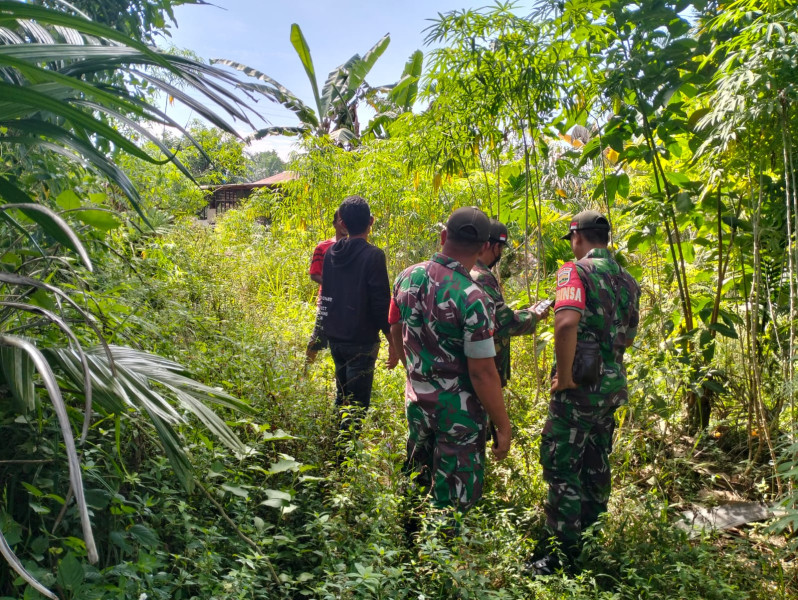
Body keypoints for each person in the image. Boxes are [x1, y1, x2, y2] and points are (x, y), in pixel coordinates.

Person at [530, 209, 640, 575]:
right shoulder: (627, 280)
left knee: (562, 467)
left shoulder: (572, 272)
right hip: (611, 388)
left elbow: (564, 322)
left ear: (578, 237)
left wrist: (564, 376)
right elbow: (630, 333)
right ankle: (591, 538)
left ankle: (562, 555)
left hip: (577, 389)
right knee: (597, 464)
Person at [390, 206, 511, 516]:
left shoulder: (407, 277)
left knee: (417, 478)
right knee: (452, 499)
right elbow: (483, 372)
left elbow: (396, 327)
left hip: (417, 403)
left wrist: (415, 374)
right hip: (459, 416)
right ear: (485, 247)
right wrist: (503, 426)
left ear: (444, 236)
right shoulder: (473, 298)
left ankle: (409, 545)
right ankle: (441, 555)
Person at [319, 196, 392, 443]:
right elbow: (381, 304)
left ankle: (336, 449)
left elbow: (326, 296)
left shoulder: (330, 254)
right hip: (361, 343)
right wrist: (394, 342)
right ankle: (345, 461)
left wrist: (321, 334)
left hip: (336, 340)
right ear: (371, 221)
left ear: (342, 223)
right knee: (357, 405)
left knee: (342, 396)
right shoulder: (373, 256)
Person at [470, 219, 550, 388]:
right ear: (493, 247)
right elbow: (505, 323)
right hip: (484, 372)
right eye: (500, 248)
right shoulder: (482, 276)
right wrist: (534, 315)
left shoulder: (463, 268)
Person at [306, 210, 347, 365]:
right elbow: (314, 274)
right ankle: (305, 373)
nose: (344, 224)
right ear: (334, 223)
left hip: (348, 302)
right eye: (341, 220)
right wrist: (334, 286)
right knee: (317, 338)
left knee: (345, 342)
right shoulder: (323, 247)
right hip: (327, 302)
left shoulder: (355, 247)